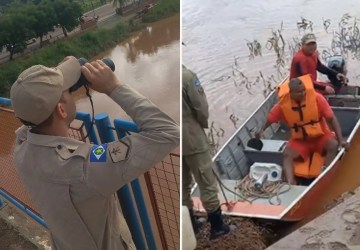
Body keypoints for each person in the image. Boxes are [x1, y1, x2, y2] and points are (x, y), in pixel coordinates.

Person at [10, 56, 180, 249]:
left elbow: (30, 118)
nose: (74, 93)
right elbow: (168, 132)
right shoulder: (85, 167)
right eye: (69, 92)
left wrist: (55, 81)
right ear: (61, 110)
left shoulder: (21, 148)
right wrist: (113, 87)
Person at [256, 75, 348, 185]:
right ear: (291, 93)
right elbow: (270, 119)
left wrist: (341, 139)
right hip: (301, 141)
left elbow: (332, 119)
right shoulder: (283, 105)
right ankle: (291, 183)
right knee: (287, 154)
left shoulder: (317, 98)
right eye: (299, 92)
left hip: (320, 137)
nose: (303, 93)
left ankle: (326, 175)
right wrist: (261, 131)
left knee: (333, 145)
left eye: (304, 90)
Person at [182, 65, 233, 240]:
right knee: (206, 181)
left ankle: (191, 225)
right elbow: (201, 108)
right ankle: (217, 227)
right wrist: (201, 126)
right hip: (191, 137)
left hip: (172, 138)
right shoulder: (187, 76)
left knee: (183, 185)